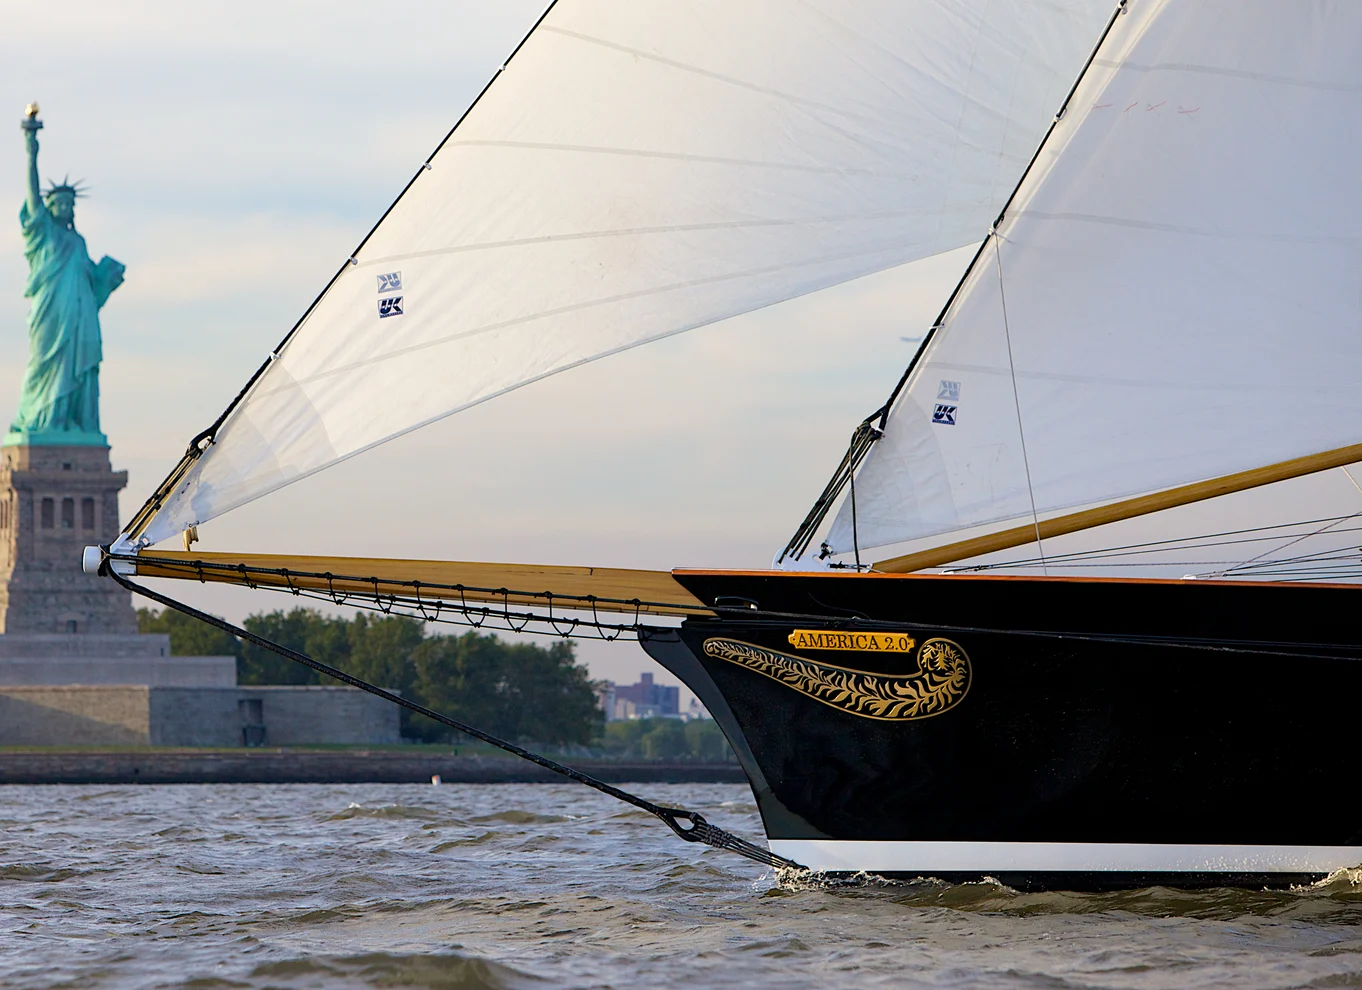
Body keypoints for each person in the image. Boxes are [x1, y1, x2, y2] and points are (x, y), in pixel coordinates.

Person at [9, 106, 124, 441]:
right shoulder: (43, 232)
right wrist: (31, 148)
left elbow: (92, 287)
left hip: (79, 317)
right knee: (42, 363)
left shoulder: (78, 242)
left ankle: (73, 422)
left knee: (80, 368)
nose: (65, 207)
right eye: (58, 203)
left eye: (69, 204)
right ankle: (42, 420)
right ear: (49, 207)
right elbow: (32, 192)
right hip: (50, 312)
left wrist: (107, 279)